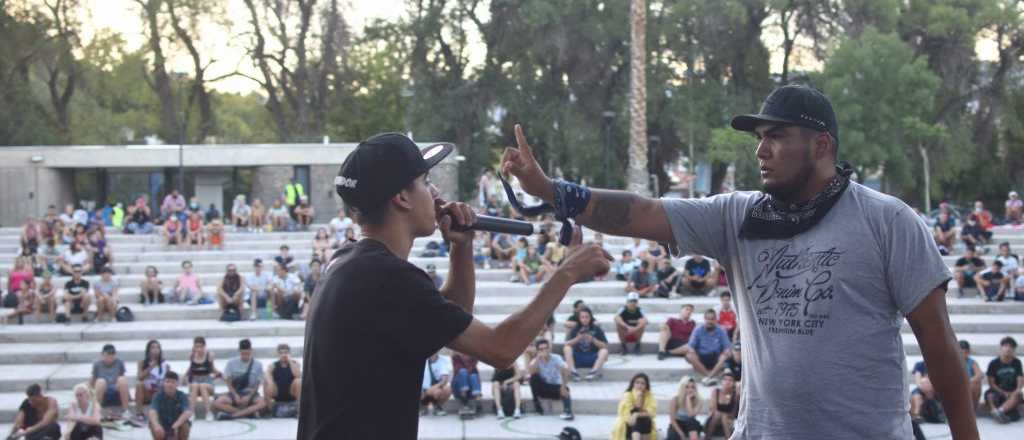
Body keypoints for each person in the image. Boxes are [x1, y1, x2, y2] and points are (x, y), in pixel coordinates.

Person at [502, 84, 978, 438]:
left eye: (777, 136)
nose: (760, 149)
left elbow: (939, 346)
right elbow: (641, 212)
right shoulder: (738, 215)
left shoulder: (888, 221)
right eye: (759, 137)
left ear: (822, 145)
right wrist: (552, 192)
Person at [298, 133, 608, 439]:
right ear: (402, 197)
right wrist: (566, 273)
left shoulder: (351, 262)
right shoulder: (387, 277)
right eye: (426, 180)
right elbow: (502, 349)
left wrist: (461, 247)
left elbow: (447, 319)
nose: (435, 191)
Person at [214, 339, 266, 420]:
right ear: (239, 351)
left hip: (250, 392)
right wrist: (235, 395)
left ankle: (234, 415)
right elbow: (228, 381)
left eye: (247, 353)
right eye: (243, 353)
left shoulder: (258, 364)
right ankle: (248, 414)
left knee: (263, 402)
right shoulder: (231, 363)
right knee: (217, 403)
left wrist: (249, 396)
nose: (245, 355)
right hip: (236, 392)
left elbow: (257, 384)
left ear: (251, 351)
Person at [528, 339, 574, 420]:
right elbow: (531, 371)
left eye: (546, 348)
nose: (544, 351)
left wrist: (563, 386)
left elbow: (566, 371)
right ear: (537, 350)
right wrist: (538, 358)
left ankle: (568, 412)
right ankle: (536, 403)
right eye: (541, 349)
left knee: (565, 389)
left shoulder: (556, 358)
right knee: (533, 378)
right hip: (543, 387)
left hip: (555, 386)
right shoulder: (536, 360)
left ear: (549, 349)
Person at [684, 310, 731, 384]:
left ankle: (708, 378)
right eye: (708, 319)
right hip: (701, 356)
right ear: (704, 319)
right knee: (689, 356)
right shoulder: (698, 329)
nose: (710, 321)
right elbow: (690, 346)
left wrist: (727, 351)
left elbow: (727, 346)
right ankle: (709, 376)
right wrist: (691, 350)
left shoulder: (721, 330)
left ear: (716, 320)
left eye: (712, 319)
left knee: (725, 356)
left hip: (715, 356)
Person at [563, 307, 609, 381]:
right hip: (578, 358)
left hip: (592, 357)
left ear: (590, 318)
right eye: (582, 317)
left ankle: (593, 372)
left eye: (587, 317)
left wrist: (593, 340)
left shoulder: (596, 329)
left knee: (604, 351)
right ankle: (573, 372)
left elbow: (605, 345)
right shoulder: (575, 328)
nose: (584, 319)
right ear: (579, 318)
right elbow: (566, 344)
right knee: (567, 348)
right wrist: (577, 339)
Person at [985, 336, 1022, 423]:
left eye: (1011, 347)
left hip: (1011, 392)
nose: (1008, 349)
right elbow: (991, 383)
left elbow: (1020, 380)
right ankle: (994, 410)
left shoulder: (1017, 362)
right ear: (1001, 348)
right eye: (1006, 346)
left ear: (1014, 350)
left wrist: (1017, 390)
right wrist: (1002, 392)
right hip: (997, 391)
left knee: (1018, 394)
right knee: (989, 395)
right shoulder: (993, 363)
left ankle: (999, 412)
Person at [611, 373, 657, 440]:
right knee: (638, 422)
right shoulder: (627, 395)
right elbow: (630, 415)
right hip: (628, 423)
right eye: (637, 382)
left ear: (646, 386)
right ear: (633, 384)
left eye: (642, 383)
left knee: (646, 420)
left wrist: (637, 414)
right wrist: (639, 396)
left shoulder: (649, 396)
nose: (639, 385)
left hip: (643, 422)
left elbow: (651, 413)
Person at [91, 344, 132, 419]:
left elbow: (122, 377)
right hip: (103, 393)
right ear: (102, 354)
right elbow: (93, 382)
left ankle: (126, 410)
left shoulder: (119, 363)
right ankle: (97, 412)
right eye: (108, 353)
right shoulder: (97, 364)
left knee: (122, 379)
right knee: (100, 381)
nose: (111, 356)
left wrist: (128, 395)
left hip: (116, 392)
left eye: (113, 353)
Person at [185, 337, 221, 421]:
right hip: (195, 382)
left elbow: (212, 369)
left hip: (207, 382)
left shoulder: (209, 355)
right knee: (195, 385)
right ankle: (191, 412)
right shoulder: (192, 356)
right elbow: (191, 368)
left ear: (204, 346)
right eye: (196, 347)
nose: (199, 349)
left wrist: (220, 374)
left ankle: (208, 412)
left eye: (201, 346)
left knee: (202, 386)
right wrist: (184, 377)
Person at [148, 372, 191, 440]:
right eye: (167, 382)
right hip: (162, 426)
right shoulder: (157, 396)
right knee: (153, 423)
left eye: (173, 382)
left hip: (177, 426)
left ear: (177, 384)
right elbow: (152, 411)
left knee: (185, 424)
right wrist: (157, 425)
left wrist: (176, 425)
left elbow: (187, 412)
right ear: (163, 383)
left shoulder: (182, 396)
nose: (170, 384)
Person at [135, 340, 171, 419]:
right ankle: (139, 413)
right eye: (153, 347)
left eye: (158, 347)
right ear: (148, 350)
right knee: (139, 385)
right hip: (147, 393)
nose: (155, 350)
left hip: (160, 393)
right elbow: (140, 377)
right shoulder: (142, 363)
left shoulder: (166, 365)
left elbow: (169, 381)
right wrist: (150, 367)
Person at [264, 343, 301, 417]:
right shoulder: (273, 365)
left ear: (289, 353)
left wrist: (290, 361)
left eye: (286, 353)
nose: (283, 355)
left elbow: (298, 375)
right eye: (281, 353)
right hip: (278, 392)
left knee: (298, 381)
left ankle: (299, 411)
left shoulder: (295, 364)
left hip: (291, 392)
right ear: (278, 354)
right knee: (266, 383)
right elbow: (266, 374)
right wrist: (270, 382)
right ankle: (269, 410)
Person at [705, 370, 741, 439]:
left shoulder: (735, 395)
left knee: (724, 417)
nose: (727, 382)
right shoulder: (716, 392)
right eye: (725, 379)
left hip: (728, 421)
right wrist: (722, 415)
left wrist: (737, 392)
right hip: (714, 420)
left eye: (730, 380)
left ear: (734, 383)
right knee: (718, 414)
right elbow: (713, 410)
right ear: (721, 381)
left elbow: (734, 413)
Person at [421, 352, 453, 416]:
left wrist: (433, 388)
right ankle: (423, 408)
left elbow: (444, 380)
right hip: (423, 389)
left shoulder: (443, 360)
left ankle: (437, 407)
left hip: (435, 388)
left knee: (447, 390)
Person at [451, 351, 482, 416]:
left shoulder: (473, 358)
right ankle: (464, 402)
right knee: (463, 372)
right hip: (458, 389)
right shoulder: (456, 357)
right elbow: (458, 370)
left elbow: (475, 376)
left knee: (473, 376)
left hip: (471, 391)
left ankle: (478, 403)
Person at [959, 340, 984, 411]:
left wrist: (967, 381)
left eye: (966, 352)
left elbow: (979, 374)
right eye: (961, 352)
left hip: (968, 385)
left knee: (976, 385)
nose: (963, 354)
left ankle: (971, 411)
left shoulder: (972, 362)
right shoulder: (951, 361)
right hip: (955, 387)